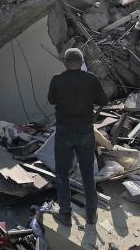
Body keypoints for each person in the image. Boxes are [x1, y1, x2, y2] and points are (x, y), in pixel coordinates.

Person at [47, 48, 107, 226]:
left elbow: (51, 100)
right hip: (85, 131)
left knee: (62, 173)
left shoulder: (57, 80)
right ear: (82, 63)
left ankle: (65, 214)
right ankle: (91, 215)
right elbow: (104, 101)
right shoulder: (91, 79)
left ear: (65, 63)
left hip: (64, 131)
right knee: (88, 172)